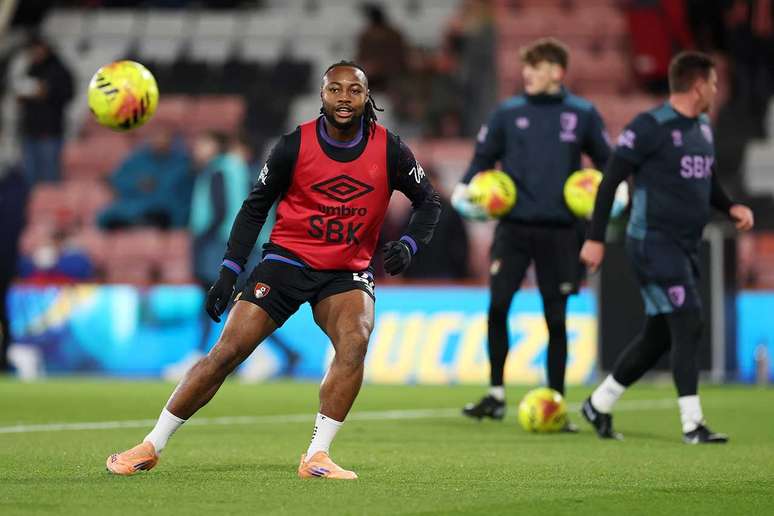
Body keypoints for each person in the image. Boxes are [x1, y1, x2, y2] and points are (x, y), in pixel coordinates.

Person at [105, 61, 441, 479]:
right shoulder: (293, 146)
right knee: (226, 353)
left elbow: (429, 201)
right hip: (286, 262)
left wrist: (409, 245)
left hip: (345, 271)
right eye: (334, 90)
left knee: (355, 340)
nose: (343, 98)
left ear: (367, 98)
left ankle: (317, 455)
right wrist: (228, 272)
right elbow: (254, 207)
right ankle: (152, 443)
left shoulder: (390, 148)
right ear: (321, 96)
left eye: (353, 91)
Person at [579, 51, 754, 444]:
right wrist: (594, 237)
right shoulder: (648, 127)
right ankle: (693, 424)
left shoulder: (703, 128)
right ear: (697, 86)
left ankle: (599, 404)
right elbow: (610, 181)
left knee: (660, 334)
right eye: (712, 83)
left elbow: (704, 179)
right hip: (653, 244)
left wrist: (730, 207)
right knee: (688, 321)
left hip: (685, 245)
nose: (715, 89)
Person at [452, 38, 611, 426]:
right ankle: (495, 394)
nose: (528, 74)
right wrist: (464, 189)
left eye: (536, 67)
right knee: (497, 306)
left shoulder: (582, 113)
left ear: (557, 71)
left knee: (556, 319)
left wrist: (614, 195)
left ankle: (555, 400)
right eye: (526, 67)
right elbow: (483, 158)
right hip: (514, 228)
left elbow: (608, 162)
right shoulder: (507, 113)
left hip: (561, 231)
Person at [97, 128, 192, 230]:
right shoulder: (137, 159)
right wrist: (137, 184)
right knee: (110, 216)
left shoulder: (182, 163)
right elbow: (119, 180)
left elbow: (185, 193)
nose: (159, 140)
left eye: (164, 137)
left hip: (165, 212)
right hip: (133, 208)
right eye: (156, 136)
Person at [13, 35, 73, 185]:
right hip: (30, 130)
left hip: (49, 133)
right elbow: (25, 93)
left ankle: (49, 208)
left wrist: (47, 92)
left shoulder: (60, 70)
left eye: (37, 49)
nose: (34, 53)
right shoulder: (31, 69)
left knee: (50, 179)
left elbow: (67, 94)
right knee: (30, 178)